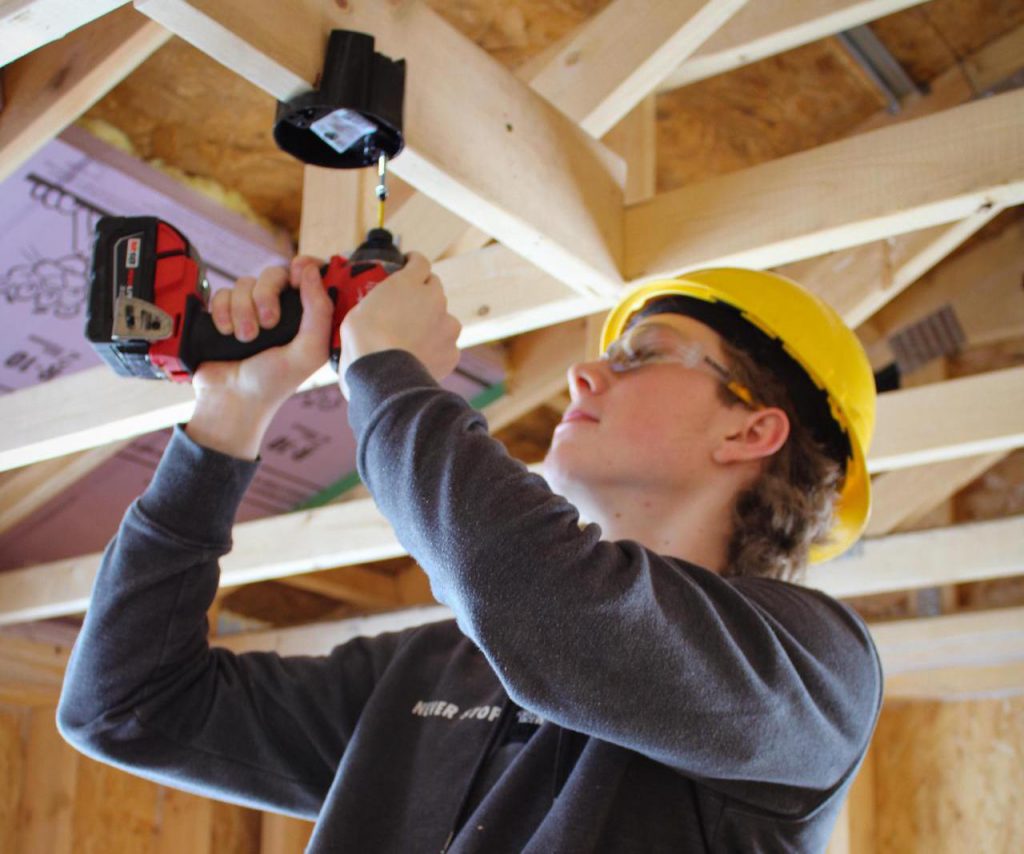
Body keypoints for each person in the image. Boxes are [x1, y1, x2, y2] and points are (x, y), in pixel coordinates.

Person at [58, 251, 883, 852]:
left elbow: (551, 606)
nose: (584, 377)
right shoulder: (433, 675)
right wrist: (225, 420)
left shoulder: (811, 675)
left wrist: (389, 372)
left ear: (753, 429)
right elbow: (128, 705)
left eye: (642, 355)